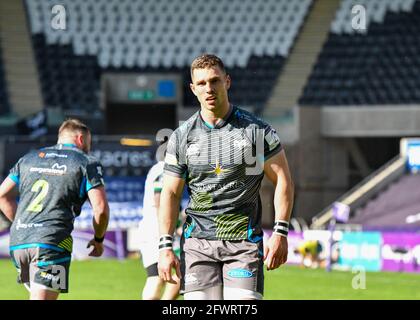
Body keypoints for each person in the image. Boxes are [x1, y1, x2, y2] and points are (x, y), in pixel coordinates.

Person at [158, 54, 294, 300]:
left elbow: (283, 179)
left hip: (243, 241)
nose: (209, 88)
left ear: (227, 82)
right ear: (193, 89)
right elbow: (170, 193)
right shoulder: (180, 136)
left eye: (215, 81)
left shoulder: (256, 130)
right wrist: (165, 247)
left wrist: (280, 232)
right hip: (197, 243)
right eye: (201, 83)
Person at [0, 119, 109, 300]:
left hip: (19, 243)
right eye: (89, 143)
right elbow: (101, 208)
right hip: (51, 242)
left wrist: (23, 224)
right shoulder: (86, 162)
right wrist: (99, 239)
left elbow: (3, 196)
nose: (89, 148)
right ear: (81, 139)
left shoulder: (28, 158)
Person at [139, 142, 180, 300]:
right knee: (161, 277)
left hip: (152, 230)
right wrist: (172, 227)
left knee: (162, 277)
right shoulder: (165, 170)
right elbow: (160, 200)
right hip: (158, 232)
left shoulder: (156, 169)